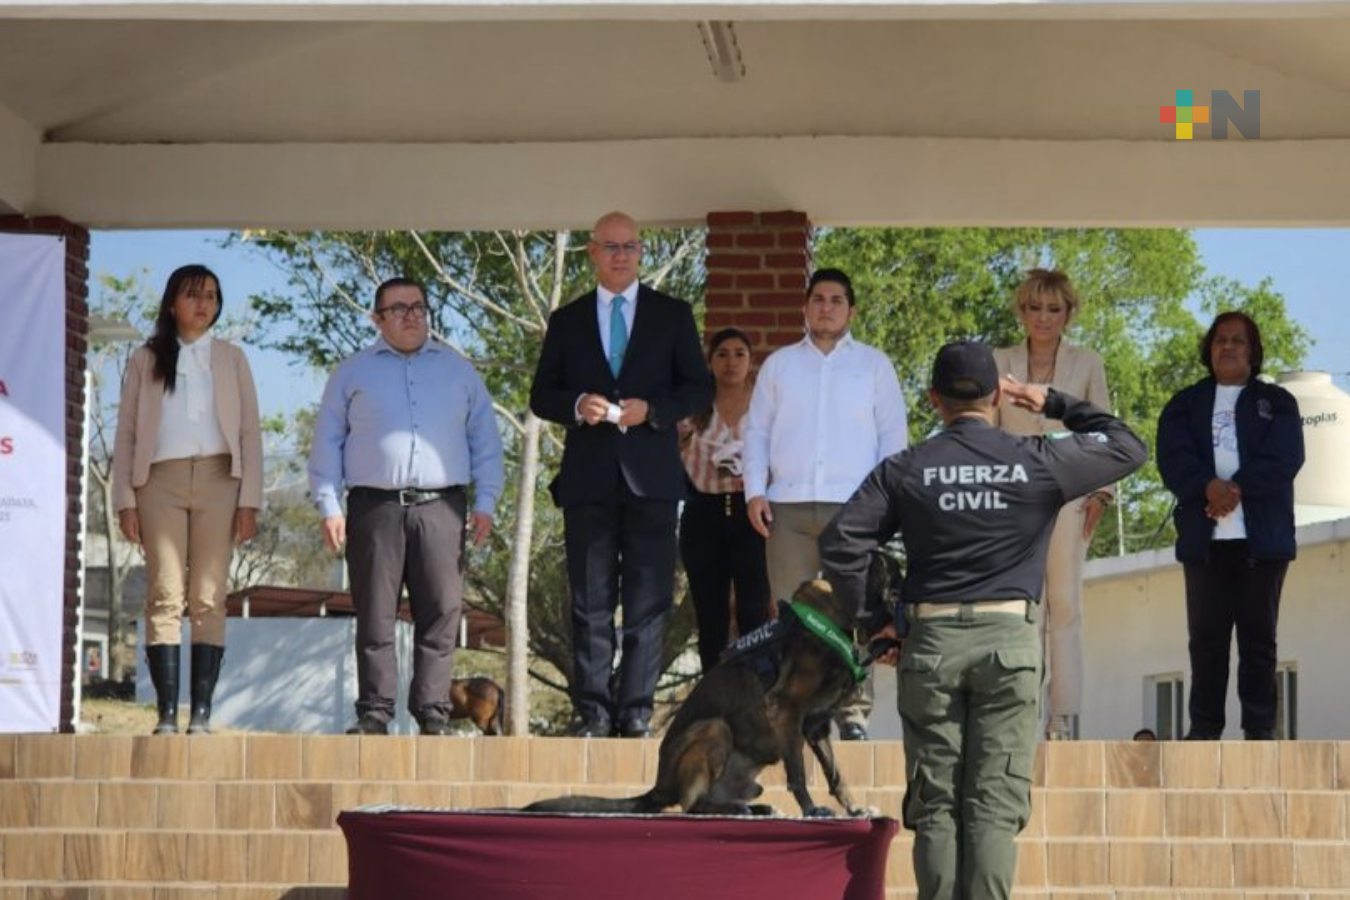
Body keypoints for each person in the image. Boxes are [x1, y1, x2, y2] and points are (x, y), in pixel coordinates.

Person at [820, 340, 1146, 900]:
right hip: (1010, 646)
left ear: (933, 400)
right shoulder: (1037, 458)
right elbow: (1129, 447)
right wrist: (1052, 401)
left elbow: (842, 540)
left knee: (937, 804)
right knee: (993, 807)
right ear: (998, 395)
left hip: (932, 644)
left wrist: (875, 620)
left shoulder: (906, 468)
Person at [529, 212, 712, 738]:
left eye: (630, 246)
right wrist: (577, 402)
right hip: (588, 479)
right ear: (591, 252)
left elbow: (697, 388)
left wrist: (652, 410)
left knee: (649, 600)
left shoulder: (672, 315)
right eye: (610, 246)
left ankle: (634, 709)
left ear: (641, 253)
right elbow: (542, 396)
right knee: (589, 600)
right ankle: (592, 710)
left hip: (652, 480)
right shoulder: (567, 320)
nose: (620, 255)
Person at [309, 277, 504, 736]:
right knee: (375, 612)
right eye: (398, 309)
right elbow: (327, 442)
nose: (412, 315)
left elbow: (486, 442)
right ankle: (375, 711)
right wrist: (329, 505)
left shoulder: (459, 371)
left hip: (443, 507)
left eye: (419, 307)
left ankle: (433, 711)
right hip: (374, 507)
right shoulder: (351, 372)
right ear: (377, 319)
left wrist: (487, 501)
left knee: (440, 612)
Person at [743, 267, 908, 740]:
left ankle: (852, 715)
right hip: (788, 508)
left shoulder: (875, 366)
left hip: (854, 510)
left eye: (837, 300)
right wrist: (755, 489)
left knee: (858, 615)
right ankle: (798, 715)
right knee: (795, 619)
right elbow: (756, 432)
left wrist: (887, 506)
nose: (827, 307)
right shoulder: (779, 365)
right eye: (818, 298)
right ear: (805, 306)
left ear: (851, 310)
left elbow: (893, 440)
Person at [113, 264, 263, 735]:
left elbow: (250, 433)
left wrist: (250, 500)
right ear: (172, 303)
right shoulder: (145, 358)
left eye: (213, 296)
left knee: (208, 597)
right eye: (194, 295)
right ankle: (164, 715)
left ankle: (200, 713)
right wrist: (125, 500)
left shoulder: (233, 358)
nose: (205, 305)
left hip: (221, 479)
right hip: (158, 482)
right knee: (164, 593)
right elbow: (127, 432)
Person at [1156, 311, 1304, 741]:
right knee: (1206, 641)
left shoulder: (1278, 403)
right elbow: (1173, 458)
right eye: (1220, 339)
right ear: (1209, 349)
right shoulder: (1185, 404)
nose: (1228, 346)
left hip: (1263, 541)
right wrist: (1207, 487)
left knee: (1259, 642)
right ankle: (1204, 730)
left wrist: (1233, 490)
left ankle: (1260, 731)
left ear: (1253, 351)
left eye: (1238, 340)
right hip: (1206, 541)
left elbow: (1285, 458)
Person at [993, 268, 1114, 741]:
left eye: (1054, 309)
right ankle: (1018, 710)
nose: (1044, 318)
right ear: (1022, 311)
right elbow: (985, 427)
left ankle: (1062, 717)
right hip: (1013, 497)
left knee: (1064, 604)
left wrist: (1103, 492)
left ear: (1069, 313)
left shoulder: (1088, 363)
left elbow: (1104, 430)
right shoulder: (997, 361)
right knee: (1022, 606)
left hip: (1070, 495)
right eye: (1035, 307)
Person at [677, 328, 771, 673]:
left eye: (739, 354)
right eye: (722, 354)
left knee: (754, 609)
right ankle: (713, 690)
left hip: (753, 513)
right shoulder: (692, 404)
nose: (731, 362)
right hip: (704, 512)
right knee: (710, 611)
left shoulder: (766, 404)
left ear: (751, 361)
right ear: (710, 362)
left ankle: (756, 687)